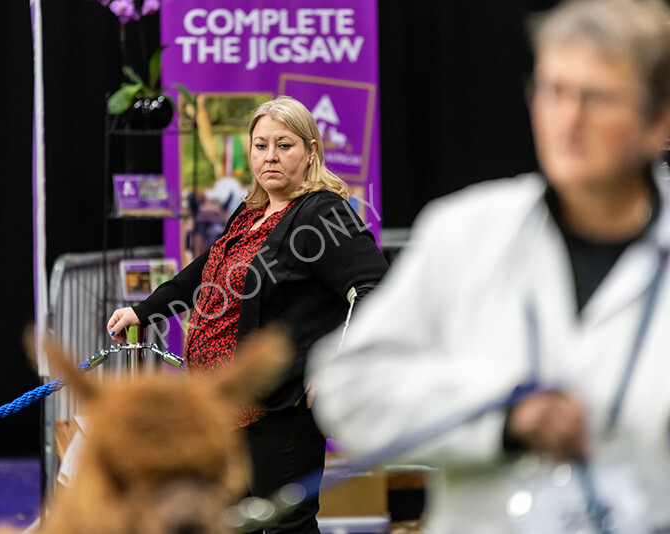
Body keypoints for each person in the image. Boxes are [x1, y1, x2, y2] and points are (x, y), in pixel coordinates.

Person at [308, 0, 670, 532]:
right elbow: (349, 386)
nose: (568, 120)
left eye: (596, 98)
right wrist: (502, 414)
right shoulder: (465, 231)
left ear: (657, 118)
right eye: (553, 92)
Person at [107, 95, 389, 533]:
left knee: (285, 526)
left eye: (285, 145)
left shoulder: (323, 213)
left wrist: (336, 360)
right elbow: (205, 274)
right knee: (229, 522)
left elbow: (374, 287)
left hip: (280, 406)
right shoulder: (250, 211)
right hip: (224, 403)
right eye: (261, 145)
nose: (270, 156)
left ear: (311, 151)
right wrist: (144, 311)